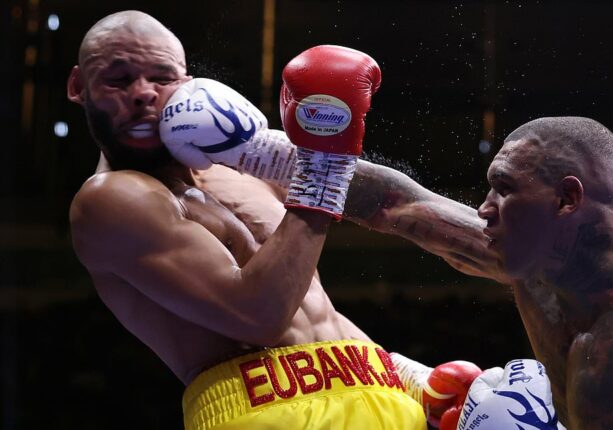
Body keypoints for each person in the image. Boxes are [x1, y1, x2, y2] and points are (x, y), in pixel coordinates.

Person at [66, 10, 481, 430]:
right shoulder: (109, 200)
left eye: (161, 77)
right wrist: (322, 168)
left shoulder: (241, 163)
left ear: (187, 84)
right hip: (265, 411)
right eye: (118, 80)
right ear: (79, 87)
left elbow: (388, 206)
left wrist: (411, 376)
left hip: (376, 386)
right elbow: (260, 317)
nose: (142, 94)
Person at [343, 117, 613, 429]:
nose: (484, 209)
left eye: (504, 189)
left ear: (566, 199)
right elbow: (397, 205)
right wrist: (280, 154)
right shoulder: (534, 268)